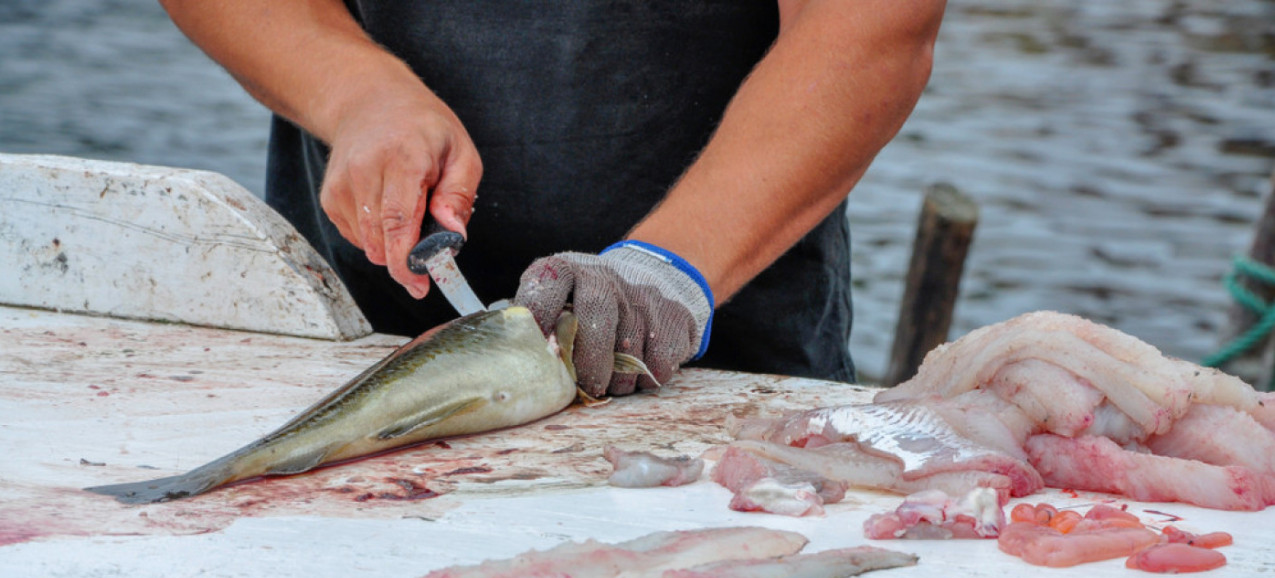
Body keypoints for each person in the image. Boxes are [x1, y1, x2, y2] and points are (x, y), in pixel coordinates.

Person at [159, 0, 945, 397]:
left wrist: (670, 268)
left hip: (718, 379)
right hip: (352, 353)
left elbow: (872, 26)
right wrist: (355, 94)